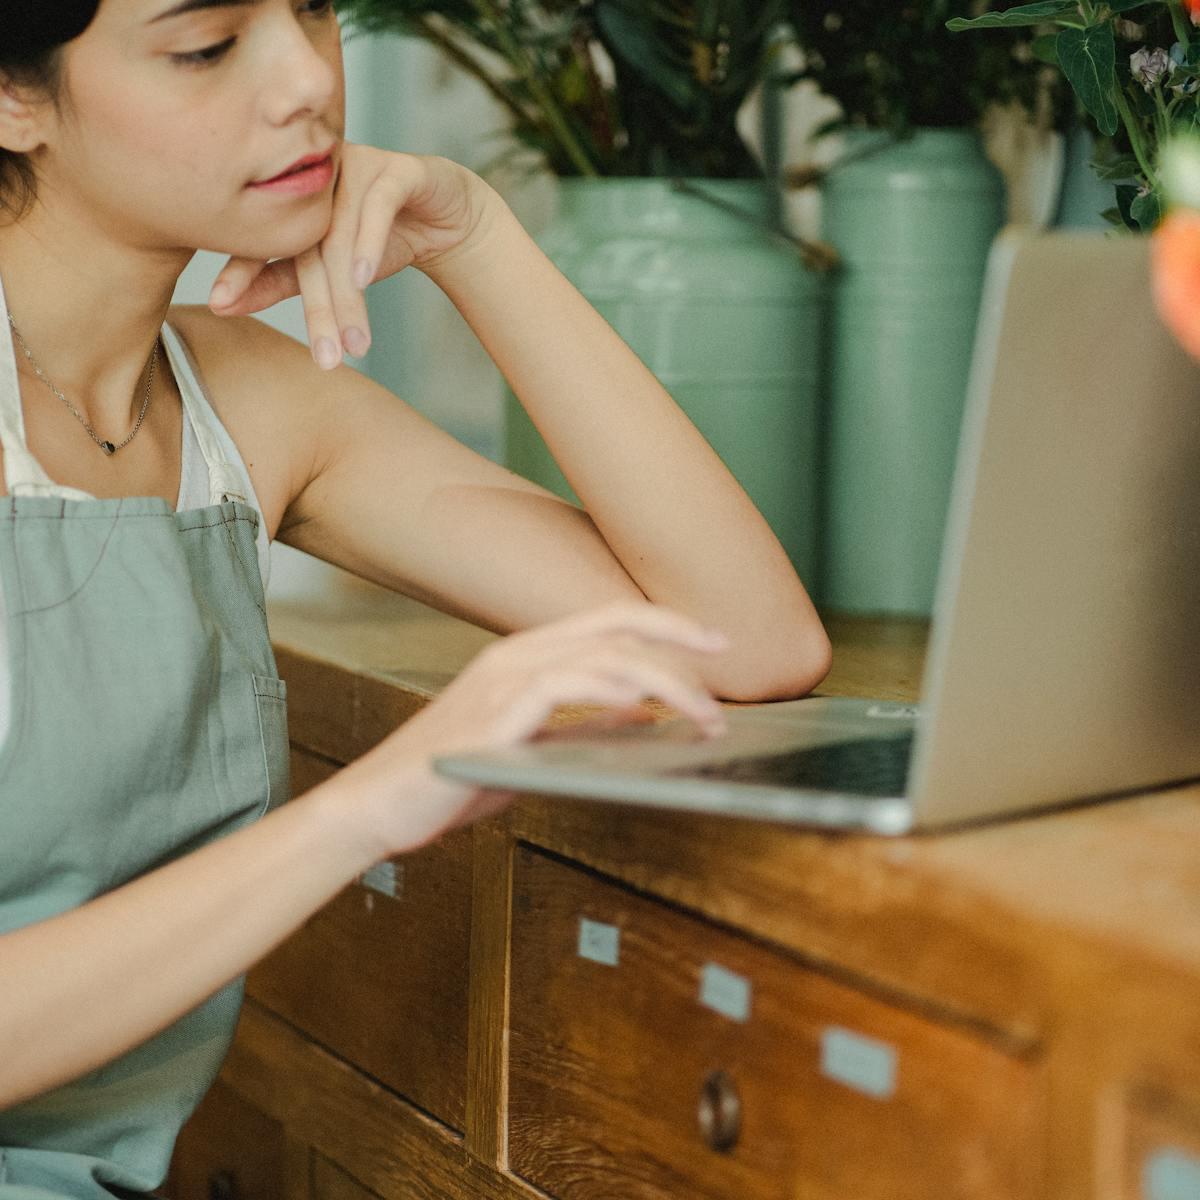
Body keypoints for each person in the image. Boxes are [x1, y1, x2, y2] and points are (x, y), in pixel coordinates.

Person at [0, 1, 832, 1195]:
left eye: (313, 10)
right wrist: (375, 801)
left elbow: (748, 642)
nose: (305, 82)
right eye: (206, 47)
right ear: (13, 96)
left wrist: (475, 236)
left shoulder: (249, 404)